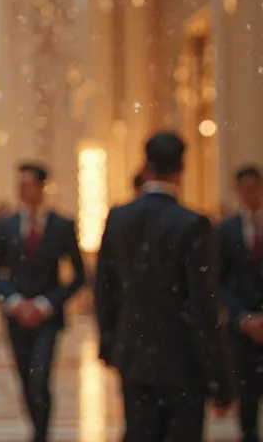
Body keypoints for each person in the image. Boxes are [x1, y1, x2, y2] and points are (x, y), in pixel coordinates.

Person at [96, 132, 233, 441]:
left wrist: (110, 345)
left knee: (139, 433)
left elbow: (105, 289)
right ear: (181, 168)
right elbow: (203, 305)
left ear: (146, 166)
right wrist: (221, 379)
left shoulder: (118, 218)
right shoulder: (192, 224)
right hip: (182, 360)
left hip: (134, 356)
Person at [0, 163, 85, 442]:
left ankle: (41, 435)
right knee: (24, 379)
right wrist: (13, 300)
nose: (21, 190)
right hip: (16, 316)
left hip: (47, 317)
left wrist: (47, 303)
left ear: (42, 186)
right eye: (18, 184)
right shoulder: (6, 225)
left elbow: (79, 275)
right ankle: (37, 428)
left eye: (28, 184)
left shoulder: (61, 225)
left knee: (39, 378)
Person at [218, 165, 263, 442]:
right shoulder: (226, 230)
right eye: (243, 189)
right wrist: (243, 317)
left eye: (254, 188)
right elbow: (220, 280)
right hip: (242, 327)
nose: (249, 194)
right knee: (246, 394)